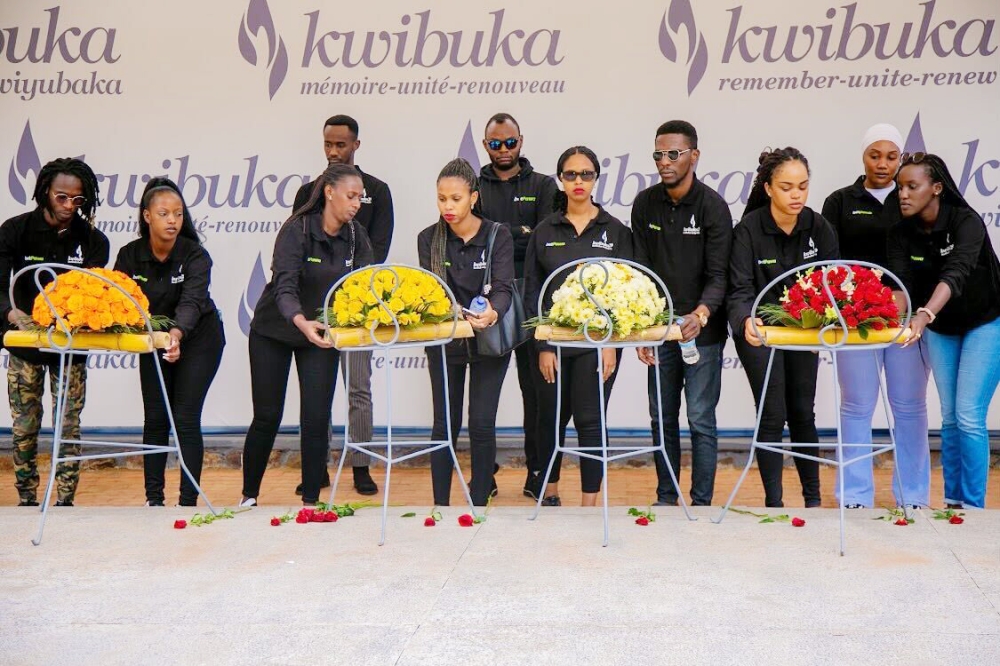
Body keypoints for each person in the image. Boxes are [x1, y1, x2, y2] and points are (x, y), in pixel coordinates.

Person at [241, 163, 373, 506]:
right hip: (275, 330)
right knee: (268, 414)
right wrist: (301, 321)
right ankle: (249, 496)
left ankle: (312, 501)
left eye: (360, 197)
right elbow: (284, 288)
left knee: (316, 417)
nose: (357, 202)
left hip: (321, 334)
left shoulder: (357, 236)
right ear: (329, 192)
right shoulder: (296, 230)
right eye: (351, 195)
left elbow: (366, 286)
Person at [821, 124, 930, 509]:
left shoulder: (913, 197)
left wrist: (912, 303)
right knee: (855, 406)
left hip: (906, 319)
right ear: (863, 155)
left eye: (891, 156)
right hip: (856, 321)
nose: (883, 164)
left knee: (910, 407)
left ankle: (913, 496)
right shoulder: (839, 201)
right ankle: (853, 496)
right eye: (874, 155)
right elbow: (828, 263)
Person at [727, 147, 838, 508]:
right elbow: (739, 288)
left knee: (803, 412)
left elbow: (833, 283)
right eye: (787, 187)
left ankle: (814, 502)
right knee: (772, 412)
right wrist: (746, 320)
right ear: (769, 188)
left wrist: (822, 315)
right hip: (761, 334)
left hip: (804, 332)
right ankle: (773, 504)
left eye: (803, 187)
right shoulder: (748, 229)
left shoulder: (819, 227)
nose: (796, 195)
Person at [888, 152, 1000, 509]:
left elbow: (956, 273)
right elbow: (901, 289)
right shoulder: (899, 232)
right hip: (942, 327)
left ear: (936, 188)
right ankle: (954, 501)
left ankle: (973, 507)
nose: (903, 193)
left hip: (985, 321)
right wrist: (876, 318)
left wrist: (922, 316)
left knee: (968, 414)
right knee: (950, 416)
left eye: (912, 186)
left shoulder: (966, 222)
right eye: (899, 186)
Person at [524, 146, 634, 506]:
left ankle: (590, 502)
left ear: (596, 180)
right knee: (550, 420)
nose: (578, 182)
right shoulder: (544, 230)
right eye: (570, 175)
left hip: (597, 345)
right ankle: (550, 491)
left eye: (586, 174)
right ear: (560, 180)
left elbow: (627, 293)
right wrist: (541, 346)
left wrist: (612, 346)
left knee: (590, 420)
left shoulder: (615, 230)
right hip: (552, 344)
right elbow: (532, 292)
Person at [631, 120, 731, 507]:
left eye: (674, 153)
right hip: (659, 329)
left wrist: (702, 313)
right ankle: (666, 498)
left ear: (694, 155)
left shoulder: (713, 207)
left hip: (701, 331)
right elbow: (640, 270)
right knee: (662, 418)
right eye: (658, 154)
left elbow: (719, 274)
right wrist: (646, 328)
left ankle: (703, 503)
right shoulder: (645, 203)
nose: (664, 162)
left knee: (701, 419)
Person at [293, 114, 393, 496]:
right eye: (328, 145)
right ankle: (315, 467)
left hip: (358, 310)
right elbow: (298, 247)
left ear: (356, 145)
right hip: (314, 311)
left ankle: (361, 466)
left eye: (341, 145)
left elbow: (377, 253)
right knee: (315, 394)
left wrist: (351, 298)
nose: (334, 152)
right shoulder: (309, 192)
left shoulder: (378, 192)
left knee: (359, 390)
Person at [0, 157, 110, 507]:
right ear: (46, 191)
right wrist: (10, 312)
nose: (69, 206)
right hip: (25, 345)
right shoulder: (14, 231)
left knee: (68, 427)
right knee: (24, 429)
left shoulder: (93, 241)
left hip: (69, 347)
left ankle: (65, 503)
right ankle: (27, 501)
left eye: (78, 200)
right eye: (62, 197)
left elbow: (93, 294)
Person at [114, 178, 226, 507]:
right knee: (156, 418)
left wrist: (175, 335)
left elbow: (191, 302)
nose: (172, 220)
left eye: (178, 213)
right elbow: (120, 302)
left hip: (199, 339)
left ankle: (188, 501)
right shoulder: (129, 256)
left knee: (185, 417)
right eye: (164, 213)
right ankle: (154, 501)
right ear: (147, 216)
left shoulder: (195, 255)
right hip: (153, 340)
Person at [417, 158, 514, 506]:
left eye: (455, 198)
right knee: (444, 425)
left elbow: (503, 287)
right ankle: (440, 505)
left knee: (482, 423)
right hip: (446, 341)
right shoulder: (429, 238)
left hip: (489, 339)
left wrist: (493, 312)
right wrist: (452, 313)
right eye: (442, 198)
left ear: (473, 197)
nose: (448, 206)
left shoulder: (497, 233)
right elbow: (431, 292)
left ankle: (478, 505)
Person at [477, 112, 558, 499]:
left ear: (521, 141)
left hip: (533, 297)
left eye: (509, 142)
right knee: (486, 393)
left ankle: (537, 474)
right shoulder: (473, 185)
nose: (503, 149)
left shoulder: (543, 186)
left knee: (537, 393)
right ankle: (484, 474)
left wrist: (498, 234)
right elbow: (473, 241)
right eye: (495, 144)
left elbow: (544, 239)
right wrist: (518, 233)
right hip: (489, 299)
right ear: (485, 145)